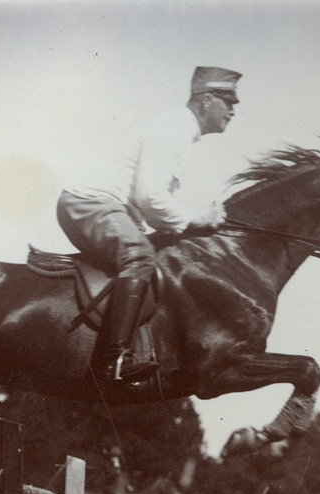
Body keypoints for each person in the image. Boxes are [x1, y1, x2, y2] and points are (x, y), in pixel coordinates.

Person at [57, 66, 241, 383]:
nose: (234, 110)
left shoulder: (182, 132)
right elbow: (151, 198)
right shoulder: (175, 128)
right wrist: (198, 217)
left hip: (107, 207)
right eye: (229, 101)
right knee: (140, 256)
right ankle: (111, 361)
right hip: (90, 204)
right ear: (207, 100)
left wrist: (194, 223)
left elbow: (153, 208)